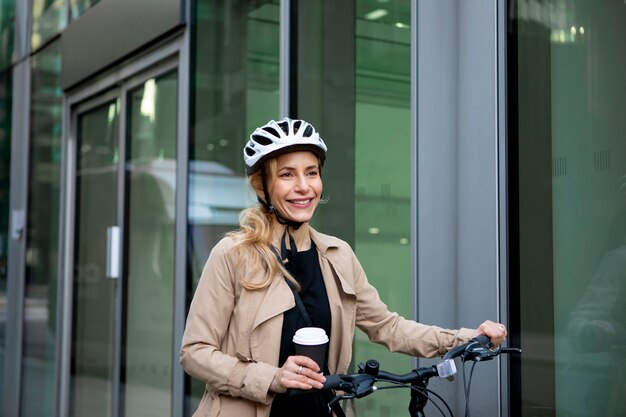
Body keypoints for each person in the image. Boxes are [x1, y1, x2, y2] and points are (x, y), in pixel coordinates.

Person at [180, 117, 508, 417]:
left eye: (311, 172)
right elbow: (194, 352)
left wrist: (465, 338)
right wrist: (273, 377)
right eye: (286, 174)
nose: (303, 186)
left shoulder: (338, 255)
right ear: (261, 186)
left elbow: (388, 327)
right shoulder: (233, 255)